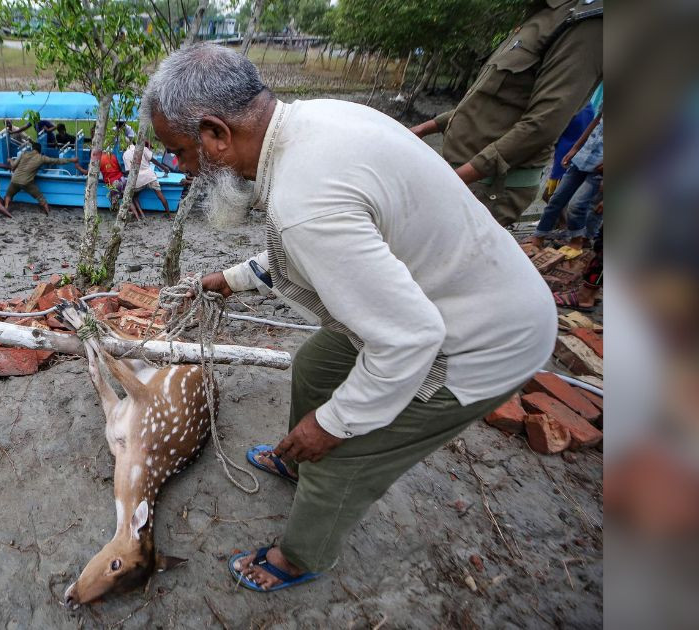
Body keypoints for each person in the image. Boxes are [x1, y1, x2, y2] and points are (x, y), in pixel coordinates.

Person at [144, 43, 555, 592]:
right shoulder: (313, 120)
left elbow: (410, 339)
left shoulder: (305, 203)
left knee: (343, 462)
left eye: (178, 151)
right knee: (316, 364)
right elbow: (340, 245)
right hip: (443, 296)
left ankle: (300, 555)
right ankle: (295, 462)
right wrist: (234, 278)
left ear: (217, 133)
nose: (180, 167)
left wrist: (330, 427)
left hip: (482, 340)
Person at [409, 0, 603, 227]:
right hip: (463, 176)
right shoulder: (544, 15)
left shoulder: (586, 25)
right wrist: (427, 127)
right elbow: (496, 101)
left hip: (486, 185)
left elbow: (543, 124)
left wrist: (457, 179)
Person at [530, 112, 603, 251]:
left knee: (578, 205)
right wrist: (575, 148)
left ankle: (578, 240)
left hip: (600, 169)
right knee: (556, 198)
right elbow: (595, 122)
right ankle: (539, 236)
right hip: (582, 158)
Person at [0, 142, 78, 215]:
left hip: (15, 179)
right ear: (40, 150)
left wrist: (10, 160)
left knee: (9, 195)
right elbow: (57, 161)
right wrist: (72, 160)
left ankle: (6, 208)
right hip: (26, 182)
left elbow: (13, 167)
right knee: (40, 197)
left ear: (32, 148)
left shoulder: (24, 154)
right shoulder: (41, 158)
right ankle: (48, 212)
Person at [122, 140, 174, 215]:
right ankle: (169, 214)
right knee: (160, 195)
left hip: (137, 179)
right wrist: (164, 168)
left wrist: (122, 173)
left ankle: (139, 214)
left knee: (133, 196)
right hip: (150, 177)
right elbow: (154, 160)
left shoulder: (125, 154)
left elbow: (128, 171)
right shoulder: (142, 148)